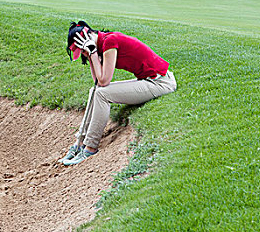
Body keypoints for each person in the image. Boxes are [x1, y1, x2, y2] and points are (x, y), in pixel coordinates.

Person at [60, 21, 177, 165]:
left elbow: (104, 81)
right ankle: (79, 143)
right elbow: (97, 82)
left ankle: (90, 147)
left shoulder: (110, 41)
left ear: (89, 36)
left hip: (161, 82)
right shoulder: (99, 45)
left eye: (83, 50)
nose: (84, 53)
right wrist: (92, 56)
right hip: (147, 80)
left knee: (102, 94)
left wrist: (93, 53)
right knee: (94, 91)